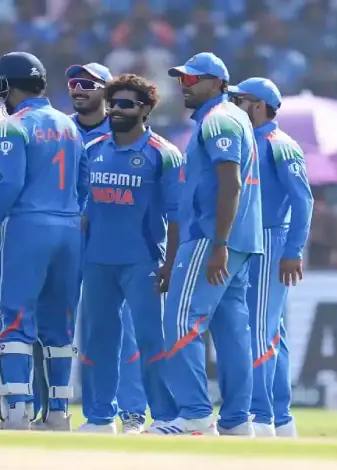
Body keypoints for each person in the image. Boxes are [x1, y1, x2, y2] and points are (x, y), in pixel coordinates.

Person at [0, 51, 88, 430]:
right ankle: (59, 414)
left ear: (3, 86)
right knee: (59, 327)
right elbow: (82, 184)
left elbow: (12, 184)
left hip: (27, 228)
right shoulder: (70, 126)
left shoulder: (13, 125)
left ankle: (17, 412)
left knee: (13, 320)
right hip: (68, 229)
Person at [149, 52, 263, 436]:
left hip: (212, 238)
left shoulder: (218, 120)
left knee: (182, 321)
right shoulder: (233, 119)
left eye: (192, 80)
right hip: (235, 239)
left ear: (217, 83)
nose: (185, 86)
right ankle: (235, 421)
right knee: (231, 333)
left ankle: (195, 414)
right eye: (182, 80)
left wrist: (219, 243)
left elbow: (229, 184)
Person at [78, 74, 180, 435]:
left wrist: (169, 264)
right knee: (98, 342)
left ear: (146, 109)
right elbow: (86, 210)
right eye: (113, 103)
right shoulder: (94, 150)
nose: (116, 110)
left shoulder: (162, 154)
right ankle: (100, 418)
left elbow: (177, 216)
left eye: (125, 104)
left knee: (152, 340)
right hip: (98, 262)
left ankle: (165, 417)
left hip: (143, 261)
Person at [65, 62, 149, 434]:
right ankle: (57, 409)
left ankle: (131, 412)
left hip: (112, 244)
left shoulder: (126, 131)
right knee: (65, 328)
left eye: (87, 83)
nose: (78, 89)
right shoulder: (61, 130)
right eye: (73, 83)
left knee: (123, 332)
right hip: (63, 240)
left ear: (106, 93)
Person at [230, 78, 312, 438]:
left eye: (240, 100)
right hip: (253, 238)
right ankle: (281, 418)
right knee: (270, 332)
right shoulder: (251, 141)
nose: (233, 105)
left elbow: (303, 200)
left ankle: (261, 417)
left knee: (259, 331)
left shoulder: (280, 145)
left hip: (270, 238)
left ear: (259, 105)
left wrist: (293, 250)